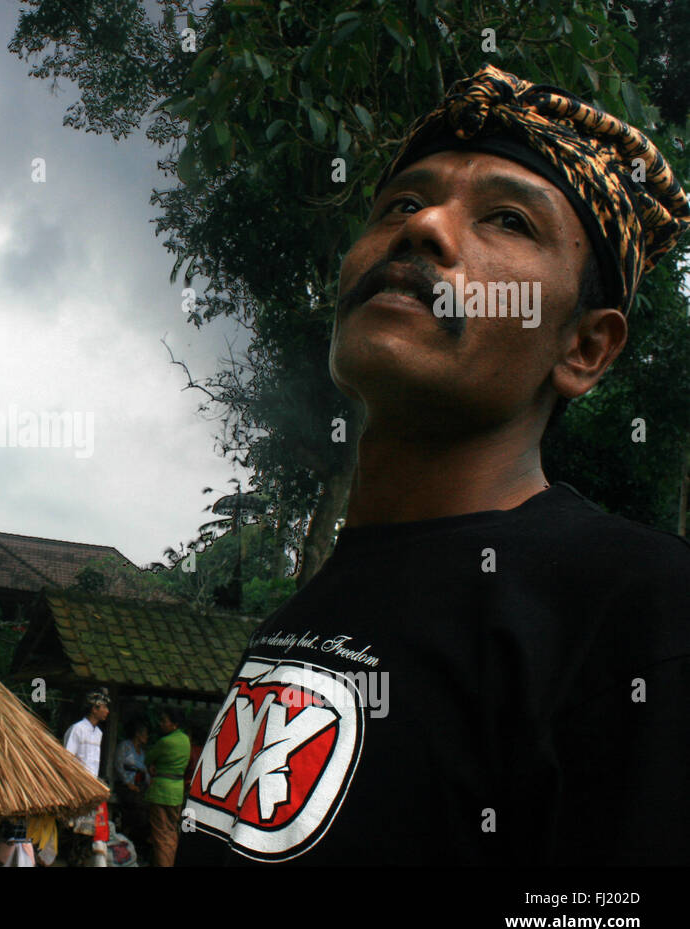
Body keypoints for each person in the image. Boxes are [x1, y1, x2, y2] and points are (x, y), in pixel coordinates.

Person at [178, 64, 690, 866]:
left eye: (509, 220)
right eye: (402, 204)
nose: (425, 230)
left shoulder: (638, 613)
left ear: (585, 347)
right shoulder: (295, 623)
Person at [62, 688, 110, 865]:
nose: (107, 711)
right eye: (103, 707)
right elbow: (67, 758)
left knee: (88, 832)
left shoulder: (98, 733)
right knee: (73, 831)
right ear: (94, 708)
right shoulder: (77, 729)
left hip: (92, 786)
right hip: (77, 786)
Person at [144, 707, 190, 867]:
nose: (161, 724)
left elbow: (148, 758)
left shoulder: (165, 742)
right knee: (171, 832)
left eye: (165, 721)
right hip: (177, 791)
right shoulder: (185, 741)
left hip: (161, 792)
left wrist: (153, 766)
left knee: (160, 836)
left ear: (174, 724)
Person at [112, 721, 150, 850]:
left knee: (146, 807)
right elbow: (118, 765)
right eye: (145, 734)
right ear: (137, 734)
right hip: (124, 785)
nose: (147, 737)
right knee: (135, 806)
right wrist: (128, 783)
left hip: (138, 785)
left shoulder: (142, 753)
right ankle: (126, 835)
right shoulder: (125, 746)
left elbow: (145, 771)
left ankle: (136, 840)